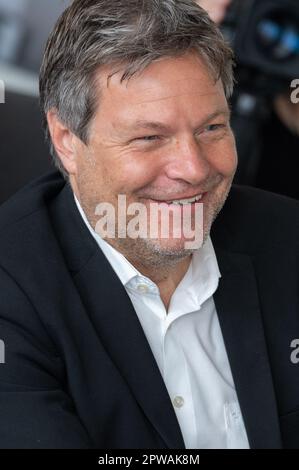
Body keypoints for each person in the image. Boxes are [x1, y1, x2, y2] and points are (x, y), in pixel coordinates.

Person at [0, 0, 298, 449]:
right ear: (67, 141)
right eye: (149, 138)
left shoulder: (288, 239)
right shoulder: (11, 287)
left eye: (212, 128)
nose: (193, 169)